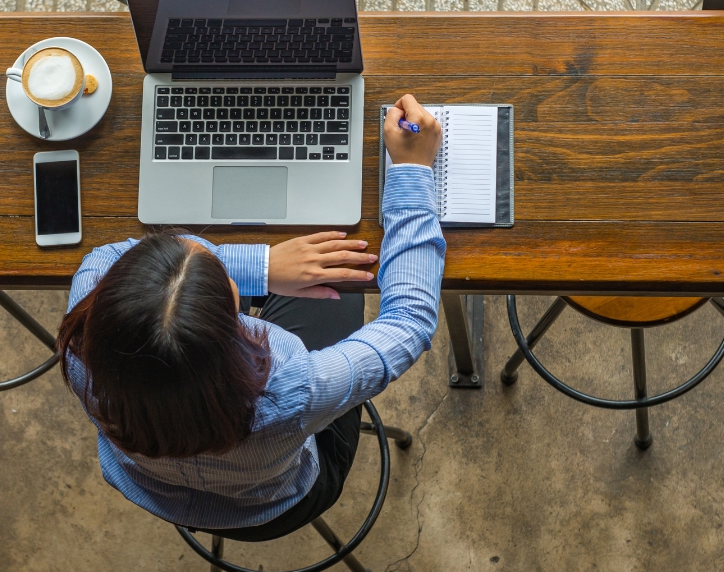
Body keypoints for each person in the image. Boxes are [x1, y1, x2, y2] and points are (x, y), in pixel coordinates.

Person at [58, 94, 445, 540]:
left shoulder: (82, 334)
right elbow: (409, 322)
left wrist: (262, 266)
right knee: (339, 288)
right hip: (279, 505)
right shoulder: (291, 391)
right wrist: (413, 173)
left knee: (324, 279)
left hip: (156, 491)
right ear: (233, 313)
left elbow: (111, 256)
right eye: (222, 272)